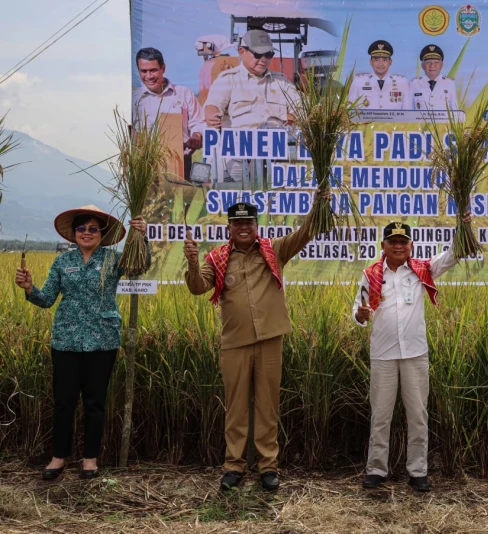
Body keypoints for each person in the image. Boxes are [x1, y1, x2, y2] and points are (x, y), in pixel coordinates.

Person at [183, 202, 314, 492]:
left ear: (256, 226)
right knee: (236, 408)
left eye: (249, 223)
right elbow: (197, 287)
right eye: (237, 223)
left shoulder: (275, 250)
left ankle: (268, 467)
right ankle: (234, 466)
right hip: (234, 343)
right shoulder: (217, 258)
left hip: (270, 339)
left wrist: (319, 204)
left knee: (268, 405)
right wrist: (193, 263)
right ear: (229, 228)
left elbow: (305, 232)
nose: (243, 227)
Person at [14, 205, 148, 480]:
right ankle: (58, 458)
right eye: (81, 228)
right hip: (66, 340)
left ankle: (90, 459)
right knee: (64, 401)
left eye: (92, 229)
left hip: (103, 340)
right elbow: (47, 299)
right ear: (74, 234)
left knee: (95, 402)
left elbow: (141, 265)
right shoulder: (63, 262)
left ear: (101, 234)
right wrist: (29, 287)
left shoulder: (113, 260)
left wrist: (141, 237)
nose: (86, 233)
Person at [353, 216, 470, 492]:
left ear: (411, 245)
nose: (398, 246)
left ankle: (418, 471)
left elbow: (454, 254)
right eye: (392, 242)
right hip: (383, 354)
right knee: (381, 415)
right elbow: (357, 311)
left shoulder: (422, 269)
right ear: (383, 245)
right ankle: (376, 470)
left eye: (402, 242)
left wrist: (464, 225)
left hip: (415, 354)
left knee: (417, 414)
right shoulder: (371, 274)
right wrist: (359, 314)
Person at [204, 30, 300, 183]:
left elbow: (301, 110)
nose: (263, 60)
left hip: (276, 156)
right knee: (233, 201)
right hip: (238, 156)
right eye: (257, 54)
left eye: (268, 55)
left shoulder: (282, 82)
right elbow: (213, 105)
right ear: (241, 51)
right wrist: (212, 115)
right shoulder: (228, 79)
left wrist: (294, 118)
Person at [133, 47, 205, 179]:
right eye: (144, 71)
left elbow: (199, 121)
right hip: (145, 165)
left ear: (163, 68)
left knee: (182, 198)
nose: (148, 76)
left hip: (181, 163)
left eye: (153, 70)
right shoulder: (133, 99)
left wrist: (196, 135)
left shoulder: (183, 93)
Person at [348, 40, 410, 110]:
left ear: (390, 62)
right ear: (371, 62)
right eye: (377, 60)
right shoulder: (359, 81)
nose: (380, 64)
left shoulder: (402, 82)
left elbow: (408, 112)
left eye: (384, 60)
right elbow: (350, 110)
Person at [409, 45, 458, 111]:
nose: (432, 65)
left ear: (441, 65)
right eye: (428, 62)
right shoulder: (413, 84)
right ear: (422, 65)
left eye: (436, 62)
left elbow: (455, 111)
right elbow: (408, 112)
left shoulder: (450, 83)